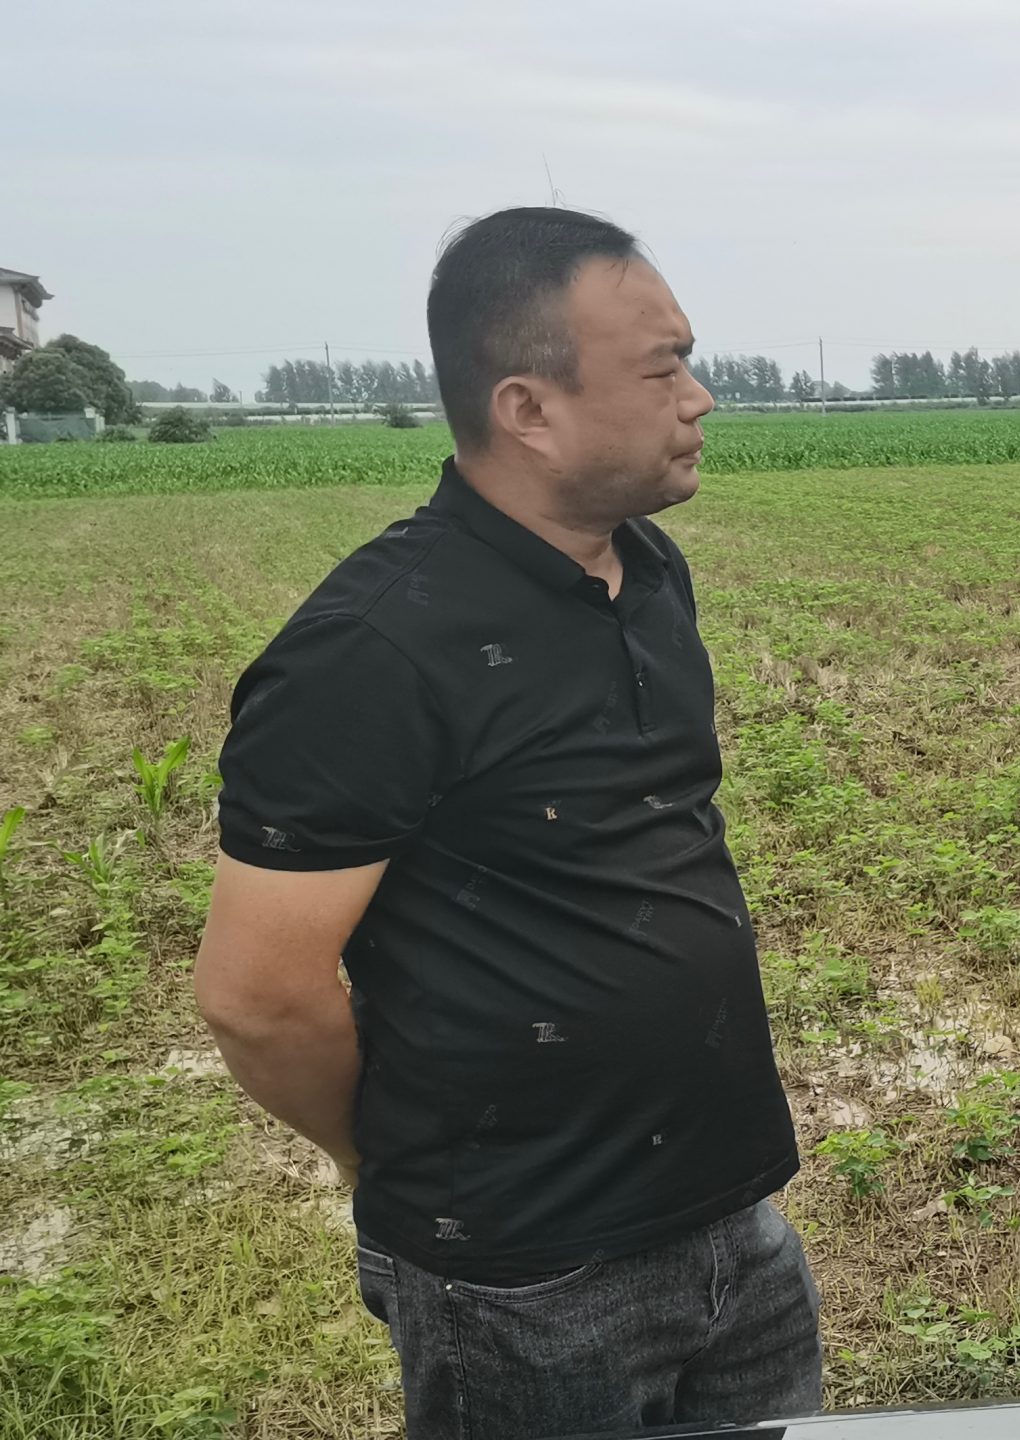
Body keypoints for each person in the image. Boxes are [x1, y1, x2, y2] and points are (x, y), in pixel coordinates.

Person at [194, 207, 820, 1437]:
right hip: (524, 1282)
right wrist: (388, 1160)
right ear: (528, 409)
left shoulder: (646, 572)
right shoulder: (373, 649)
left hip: (731, 1223)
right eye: (663, 369)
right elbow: (256, 996)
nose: (699, 399)